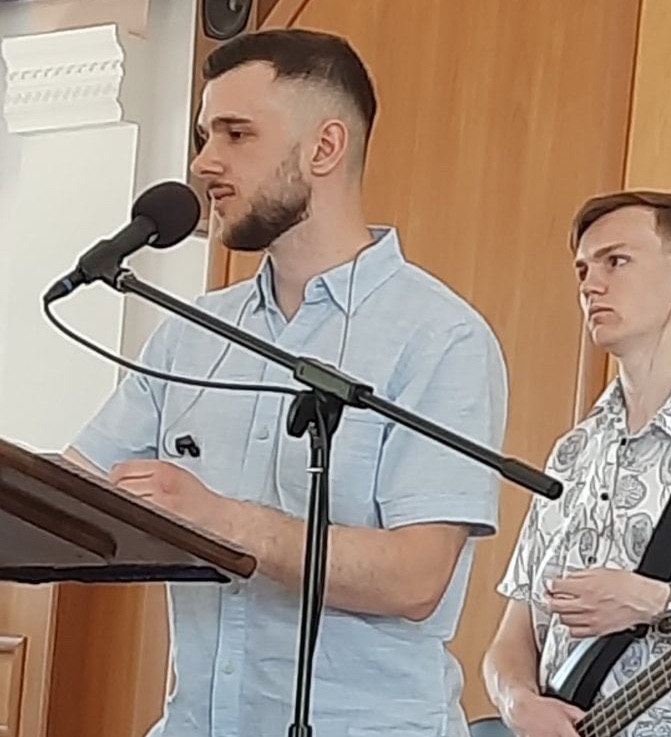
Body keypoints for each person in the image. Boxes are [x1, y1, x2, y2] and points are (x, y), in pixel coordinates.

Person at [64, 28, 508, 737]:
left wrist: (218, 517)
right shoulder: (191, 333)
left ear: (324, 148)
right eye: (204, 136)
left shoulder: (440, 337)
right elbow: (70, 491)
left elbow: (416, 577)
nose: (203, 163)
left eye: (236, 134)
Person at [483, 190, 671, 737]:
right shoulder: (572, 451)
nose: (590, 285)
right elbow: (513, 635)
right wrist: (517, 701)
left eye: (615, 261)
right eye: (582, 269)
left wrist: (657, 603)